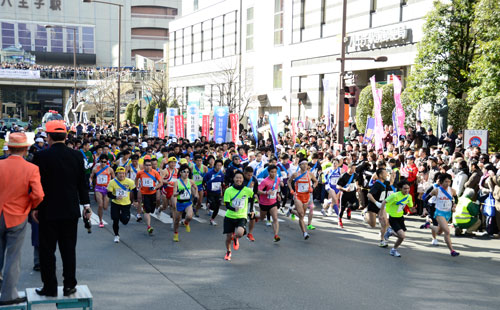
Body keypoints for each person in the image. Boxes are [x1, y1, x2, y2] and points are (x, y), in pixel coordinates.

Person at [32, 120, 92, 297]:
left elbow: (36, 185)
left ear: (49, 136)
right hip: (70, 210)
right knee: (68, 250)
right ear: (66, 136)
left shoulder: (41, 156)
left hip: (47, 210)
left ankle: (49, 287)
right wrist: (86, 206)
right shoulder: (76, 156)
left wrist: (35, 207)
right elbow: (83, 184)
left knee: (47, 251)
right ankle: (69, 285)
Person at [0, 133, 44, 306]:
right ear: (26, 149)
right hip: (17, 216)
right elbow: (38, 194)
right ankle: (8, 295)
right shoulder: (31, 168)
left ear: (9, 148)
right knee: (13, 257)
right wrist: (32, 207)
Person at [425, 173, 460, 256]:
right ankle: (452, 250)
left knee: (440, 232)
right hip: (439, 213)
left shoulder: (452, 190)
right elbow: (426, 199)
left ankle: (428, 225)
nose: (447, 183)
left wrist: (454, 206)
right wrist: (427, 209)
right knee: (447, 231)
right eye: (445, 181)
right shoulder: (436, 190)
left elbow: (456, 199)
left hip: (448, 213)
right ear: (441, 182)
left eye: (449, 181)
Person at [223, 171, 254, 261]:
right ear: (234, 179)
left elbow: (252, 198)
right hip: (230, 216)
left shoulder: (247, 190)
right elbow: (227, 205)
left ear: (243, 179)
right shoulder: (228, 190)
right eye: (237, 178)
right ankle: (228, 252)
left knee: (240, 233)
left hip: (241, 216)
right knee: (228, 237)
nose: (238, 179)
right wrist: (234, 209)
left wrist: (251, 209)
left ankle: (236, 238)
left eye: (240, 178)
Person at [288, 159, 318, 240]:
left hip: (307, 196)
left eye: (306, 164)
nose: (305, 166)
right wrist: (291, 190)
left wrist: (313, 187)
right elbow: (289, 181)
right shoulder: (295, 174)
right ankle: (305, 233)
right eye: (303, 164)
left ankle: (291, 211)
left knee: (302, 215)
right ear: (300, 165)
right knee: (301, 214)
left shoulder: (310, 174)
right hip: (298, 196)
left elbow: (316, 181)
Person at [382, 181, 413, 257]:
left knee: (402, 235)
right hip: (393, 217)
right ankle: (393, 250)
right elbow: (384, 202)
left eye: (408, 188)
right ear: (400, 188)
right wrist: (381, 213)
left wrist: (413, 209)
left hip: (400, 217)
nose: (407, 190)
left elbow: (410, 206)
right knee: (402, 236)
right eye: (405, 188)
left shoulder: (409, 196)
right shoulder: (394, 196)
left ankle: (390, 232)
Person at [107, 167, 135, 243]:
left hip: (126, 204)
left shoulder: (130, 182)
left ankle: (119, 216)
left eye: (123, 173)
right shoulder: (112, 182)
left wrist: (135, 201)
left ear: (125, 174)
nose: (121, 175)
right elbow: (109, 194)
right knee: (115, 220)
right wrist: (116, 197)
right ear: (116, 174)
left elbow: (134, 191)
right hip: (115, 203)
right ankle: (116, 235)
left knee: (125, 221)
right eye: (120, 173)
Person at [135, 158, 163, 235]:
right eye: (146, 165)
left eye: (149, 165)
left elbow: (161, 183)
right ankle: (149, 227)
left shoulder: (155, 173)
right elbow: (136, 179)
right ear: (144, 166)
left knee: (152, 210)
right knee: (147, 211)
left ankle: (152, 209)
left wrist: (155, 187)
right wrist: (137, 186)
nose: (148, 167)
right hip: (145, 194)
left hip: (153, 193)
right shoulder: (140, 173)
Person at [172, 164, 198, 242]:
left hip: (188, 202)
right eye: (184, 172)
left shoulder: (191, 181)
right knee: (176, 220)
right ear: (180, 173)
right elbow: (174, 194)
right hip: (180, 202)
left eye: (188, 172)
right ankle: (176, 234)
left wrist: (196, 194)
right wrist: (179, 192)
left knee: (190, 216)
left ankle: (186, 222)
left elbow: (195, 187)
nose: (186, 173)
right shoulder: (177, 182)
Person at [257, 164, 281, 242]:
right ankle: (254, 217)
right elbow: (258, 191)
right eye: (271, 172)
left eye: (275, 172)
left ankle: (276, 235)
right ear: (268, 172)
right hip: (264, 203)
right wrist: (266, 192)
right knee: (261, 218)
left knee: (275, 218)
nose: (273, 174)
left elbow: (276, 188)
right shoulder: (265, 181)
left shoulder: (278, 179)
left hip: (273, 202)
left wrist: (278, 194)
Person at [90, 154, 115, 227]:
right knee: (100, 205)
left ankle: (102, 217)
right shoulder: (95, 169)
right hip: (98, 188)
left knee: (105, 207)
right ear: (99, 161)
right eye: (102, 161)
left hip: (107, 188)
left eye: (105, 162)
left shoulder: (110, 169)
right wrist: (90, 182)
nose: (103, 163)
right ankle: (100, 221)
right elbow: (91, 177)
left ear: (107, 162)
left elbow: (114, 179)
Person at [203, 159, 224, 226]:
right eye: (217, 165)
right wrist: (205, 189)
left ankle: (212, 219)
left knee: (217, 206)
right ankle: (209, 205)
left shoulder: (221, 174)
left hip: (217, 192)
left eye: (220, 165)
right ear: (215, 165)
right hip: (210, 192)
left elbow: (221, 183)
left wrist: (221, 192)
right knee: (213, 205)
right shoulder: (209, 173)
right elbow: (204, 181)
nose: (219, 167)